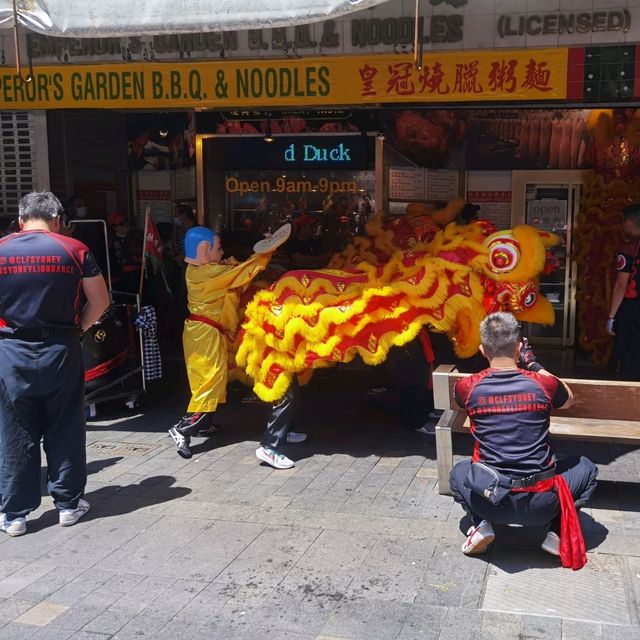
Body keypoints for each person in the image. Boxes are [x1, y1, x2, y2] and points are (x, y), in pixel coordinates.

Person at [449, 312, 598, 569]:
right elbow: (569, 397)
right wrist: (533, 363)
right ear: (519, 348)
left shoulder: (467, 386)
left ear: (483, 350)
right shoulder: (542, 384)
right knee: (586, 467)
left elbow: (462, 401)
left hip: (490, 500)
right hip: (542, 503)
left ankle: (480, 524)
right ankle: (555, 531)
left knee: (458, 472)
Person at [0, 191, 110, 537]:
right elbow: (100, 300)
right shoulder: (75, 250)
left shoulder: (1, 248)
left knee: (15, 430)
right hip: (61, 348)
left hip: (11, 352)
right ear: (58, 220)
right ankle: (68, 504)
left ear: (21, 221)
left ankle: (15, 514)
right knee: (65, 427)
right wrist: (79, 328)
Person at [169, 225, 306, 462]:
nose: (222, 252)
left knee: (213, 379)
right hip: (204, 335)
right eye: (218, 248)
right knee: (208, 383)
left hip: (207, 333)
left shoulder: (204, 270)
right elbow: (241, 272)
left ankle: (204, 425)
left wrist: (263, 248)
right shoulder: (206, 274)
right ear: (204, 250)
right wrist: (266, 252)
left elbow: (232, 271)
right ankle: (183, 429)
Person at [606, 203, 640, 379]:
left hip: (633, 309)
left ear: (629, 222)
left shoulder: (629, 248)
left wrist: (611, 316)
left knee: (631, 356)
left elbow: (621, 284)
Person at [107, 211, 143, 295]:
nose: (125, 225)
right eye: (121, 224)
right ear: (115, 227)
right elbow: (121, 260)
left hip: (140, 273)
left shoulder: (135, 235)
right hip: (126, 277)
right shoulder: (115, 242)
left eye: (125, 222)